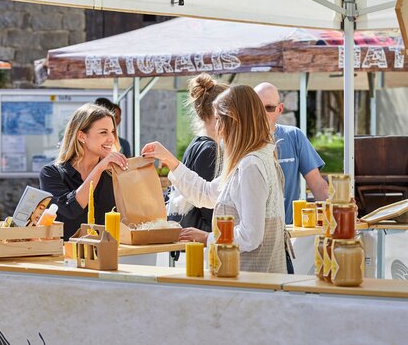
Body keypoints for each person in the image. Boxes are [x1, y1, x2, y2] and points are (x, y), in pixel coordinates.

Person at [142, 85, 287, 273]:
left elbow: (250, 235)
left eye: (219, 119)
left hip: (250, 279)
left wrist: (207, 238)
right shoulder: (250, 159)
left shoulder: (251, 165)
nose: (217, 127)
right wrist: (170, 160)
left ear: (234, 121)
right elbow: (208, 193)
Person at [39, 103, 128, 240]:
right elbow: (70, 209)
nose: (111, 138)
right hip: (66, 258)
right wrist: (99, 168)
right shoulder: (51, 173)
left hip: (108, 255)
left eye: (113, 132)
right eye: (103, 132)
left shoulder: (113, 173)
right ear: (81, 136)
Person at [254, 82, 329, 225]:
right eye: (257, 107)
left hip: (288, 233)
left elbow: (318, 185)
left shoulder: (294, 136)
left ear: (280, 109)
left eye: (269, 108)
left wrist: (338, 211)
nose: (262, 113)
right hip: (250, 234)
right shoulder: (241, 141)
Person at [169, 73, 229, 232]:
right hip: (201, 244)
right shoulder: (209, 150)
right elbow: (210, 208)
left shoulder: (198, 144)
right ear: (219, 113)